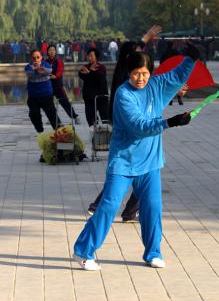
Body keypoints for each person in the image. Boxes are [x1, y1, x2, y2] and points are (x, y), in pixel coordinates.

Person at [73, 44, 199, 271]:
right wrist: (170, 122)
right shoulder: (124, 94)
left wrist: (191, 57)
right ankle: (83, 251)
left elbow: (178, 75)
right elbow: (139, 126)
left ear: (151, 72)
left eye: (144, 73)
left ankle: (153, 253)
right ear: (128, 73)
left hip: (150, 162)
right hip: (124, 161)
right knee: (109, 206)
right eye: (135, 73)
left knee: (152, 207)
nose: (140, 78)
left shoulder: (157, 85)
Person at [87, 26, 162, 221]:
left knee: (139, 170)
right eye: (137, 54)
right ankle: (104, 206)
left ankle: (127, 210)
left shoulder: (128, 69)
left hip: (134, 125)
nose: (141, 57)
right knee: (130, 170)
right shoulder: (126, 73)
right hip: (130, 125)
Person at [24, 49, 60, 133]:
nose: (36, 59)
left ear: (41, 57)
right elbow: (30, 74)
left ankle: (60, 132)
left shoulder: (46, 64)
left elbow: (48, 71)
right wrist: (38, 70)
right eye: (34, 58)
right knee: (34, 114)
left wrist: (39, 69)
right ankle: (40, 130)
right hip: (33, 96)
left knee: (52, 115)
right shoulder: (28, 67)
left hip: (46, 95)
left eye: (38, 57)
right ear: (31, 58)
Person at [46, 45, 80, 124]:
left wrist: (55, 76)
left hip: (58, 86)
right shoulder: (45, 62)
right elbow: (42, 72)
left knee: (65, 102)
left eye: (53, 50)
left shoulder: (59, 61)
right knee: (48, 103)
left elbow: (60, 71)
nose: (51, 52)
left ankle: (75, 117)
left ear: (55, 52)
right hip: (48, 86)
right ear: (47, 52)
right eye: (50, 50)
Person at [78, 47, 108, 126]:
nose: (89, 58)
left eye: (91, 56)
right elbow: (81, 75)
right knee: (91, 120)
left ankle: (108, 136)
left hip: (101, 97)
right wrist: (89, 71)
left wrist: (90, 72)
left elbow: (100, 79)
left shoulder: (101, 67)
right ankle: (94, 136)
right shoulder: (85, 67)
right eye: (88, 56)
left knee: (105, 119)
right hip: (89, 98)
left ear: (96, 57)